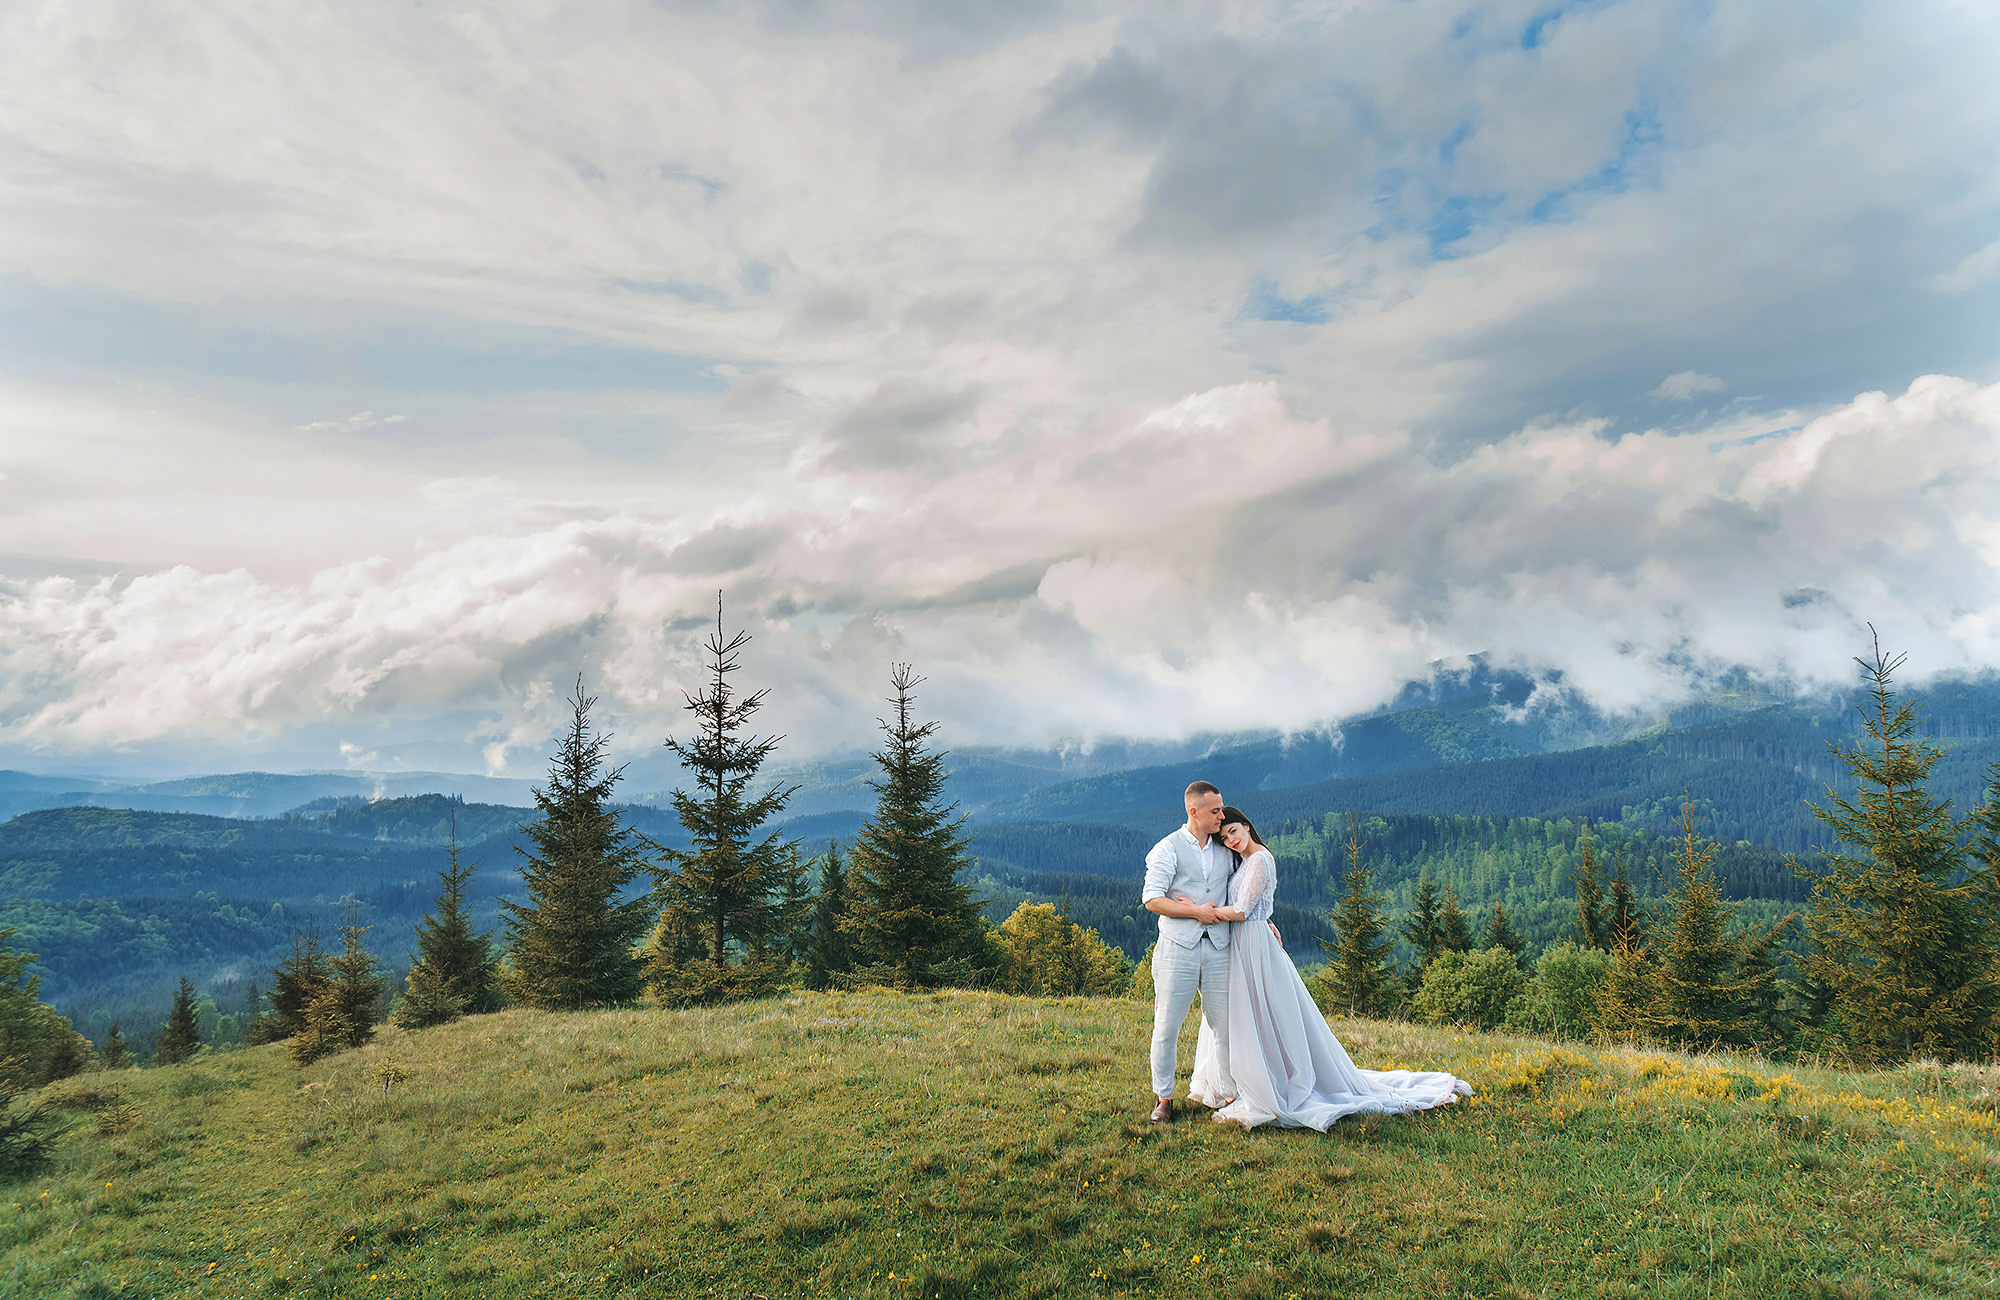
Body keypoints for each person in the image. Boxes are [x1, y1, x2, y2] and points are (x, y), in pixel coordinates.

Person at [1186, 806, 1473, 1130]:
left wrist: (1205, 912)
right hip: (1245, 943)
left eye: (1234, 832)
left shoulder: (1262, 859)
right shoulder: (1247, 862)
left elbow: (1242, 909)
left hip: (1253, 947)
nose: (1231, 840)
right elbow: (1254, 906)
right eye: (1224, 838)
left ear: (1247, 827)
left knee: (1263, 1013)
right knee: (1244, 1014)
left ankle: (1268, 1083)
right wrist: (1265, 920)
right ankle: (1238, 1080)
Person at [1140, 780, 1236, 1123]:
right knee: (1166, 1026)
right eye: (1215, 811)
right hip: (1177, 948)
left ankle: (1229, 1096)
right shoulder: (1167, 848)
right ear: (1193, 812)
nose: (1222, 816)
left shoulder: (1227, 848)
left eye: (1221, 809)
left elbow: (1242, 890)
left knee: (1224, 1027)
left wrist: (1263, 920)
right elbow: (1152, 898)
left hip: (1220, 947)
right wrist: (1197, 912)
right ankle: (1164, 1099)